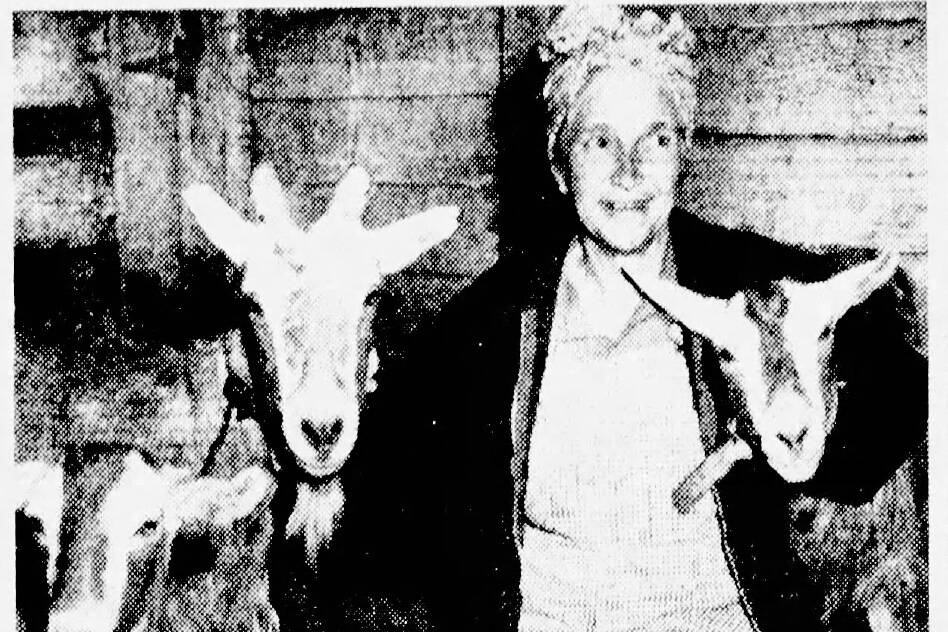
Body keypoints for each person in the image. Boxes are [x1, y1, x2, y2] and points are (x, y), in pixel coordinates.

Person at [186, 6, 927, 632]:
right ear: (558, 161)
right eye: (600, 141)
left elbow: (902, 395)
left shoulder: (753, 290)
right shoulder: (488, 327)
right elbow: (369, 491)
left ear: (682, 152)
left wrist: (807, 402)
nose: (630, 171)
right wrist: (309, 350)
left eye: (656, 139)